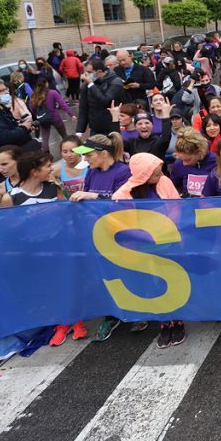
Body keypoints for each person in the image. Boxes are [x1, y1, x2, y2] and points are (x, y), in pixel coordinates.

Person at [112, 152, 187, 348]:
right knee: (154, 286)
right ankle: (164, 323)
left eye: (160, 171)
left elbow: (176, 206)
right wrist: (149, 236)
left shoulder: (164, 182)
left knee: (174, 282)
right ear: (142, 174)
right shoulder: (122, 195)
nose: (160, 175)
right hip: (142, 248)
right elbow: (122, 226)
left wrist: (169, 229)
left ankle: (178, 321)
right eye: (154, 173)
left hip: (169, 242)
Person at [67, 133, 130, 341]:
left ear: (103, 154)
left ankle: (133, 312)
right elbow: (85, 196)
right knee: (102, 276)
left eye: (89, 155)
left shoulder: (123, 171)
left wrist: (93, 196)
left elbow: (124, 201)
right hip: (96, 233)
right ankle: (110, 315)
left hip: (120, 234)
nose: (86, 160)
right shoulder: (91, 172)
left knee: (124, 273)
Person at [0, 79, 36, 149]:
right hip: (12, 153)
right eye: (2, 91)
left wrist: (21, 126)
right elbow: (4, 137)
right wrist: (24, 127)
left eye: (6, 89)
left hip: (19, 148)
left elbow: (7, 127)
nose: (7, 92)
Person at [76, 59, 126, 136]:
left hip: (112, 127)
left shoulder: (115, 81)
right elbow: (83, 108)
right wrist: (79, 131)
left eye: (89, 72)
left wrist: (91, 85)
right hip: (95, 128)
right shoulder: (87, 84)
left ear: (99, 72)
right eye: (86, 72)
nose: (86, 75)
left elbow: (105, 101)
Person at [28, 78, 73, 154]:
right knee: (64, 135)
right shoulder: (53, 92)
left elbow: (32, 108)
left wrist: (38, 115)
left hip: (42, 119)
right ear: (46, 84)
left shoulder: (34, 96)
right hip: (55, 117)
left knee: (45, 138)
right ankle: (69, 150)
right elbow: (62, 104)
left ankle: (46, 155)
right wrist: (71, 114)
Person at [169, 127, 217, 197]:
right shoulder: (178, 164)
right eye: (181, 159)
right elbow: (173, 187)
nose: (184, 164)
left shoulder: (216, 161)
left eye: (188, 160)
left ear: (199, 152)